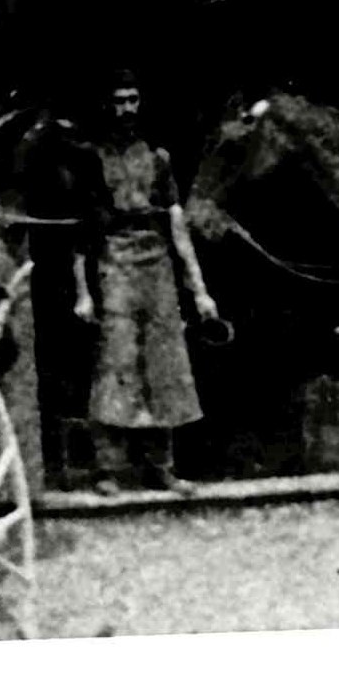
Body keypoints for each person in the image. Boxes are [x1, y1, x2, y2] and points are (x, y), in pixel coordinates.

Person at [71, 70, 220, 496]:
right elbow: (82, 233)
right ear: (107, 105)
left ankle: (162, 468)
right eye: (119, 101)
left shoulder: (159, 158)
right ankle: (109, 470)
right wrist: (82, 292)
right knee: (116, 363)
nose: (127, 109)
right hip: (113, 260)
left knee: (164, 361)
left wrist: (200, 290)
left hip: (157, 265)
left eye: (133, 100)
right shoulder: (93, 157)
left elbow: (176, 225)